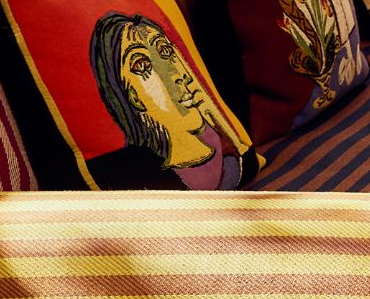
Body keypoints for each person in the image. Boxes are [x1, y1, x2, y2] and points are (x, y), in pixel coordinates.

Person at [87, 10, 250, 188]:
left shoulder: (227, 151)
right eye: (142, 65)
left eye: (165, 51)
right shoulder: (139, 180)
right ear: (133, 97)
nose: (175, 76)